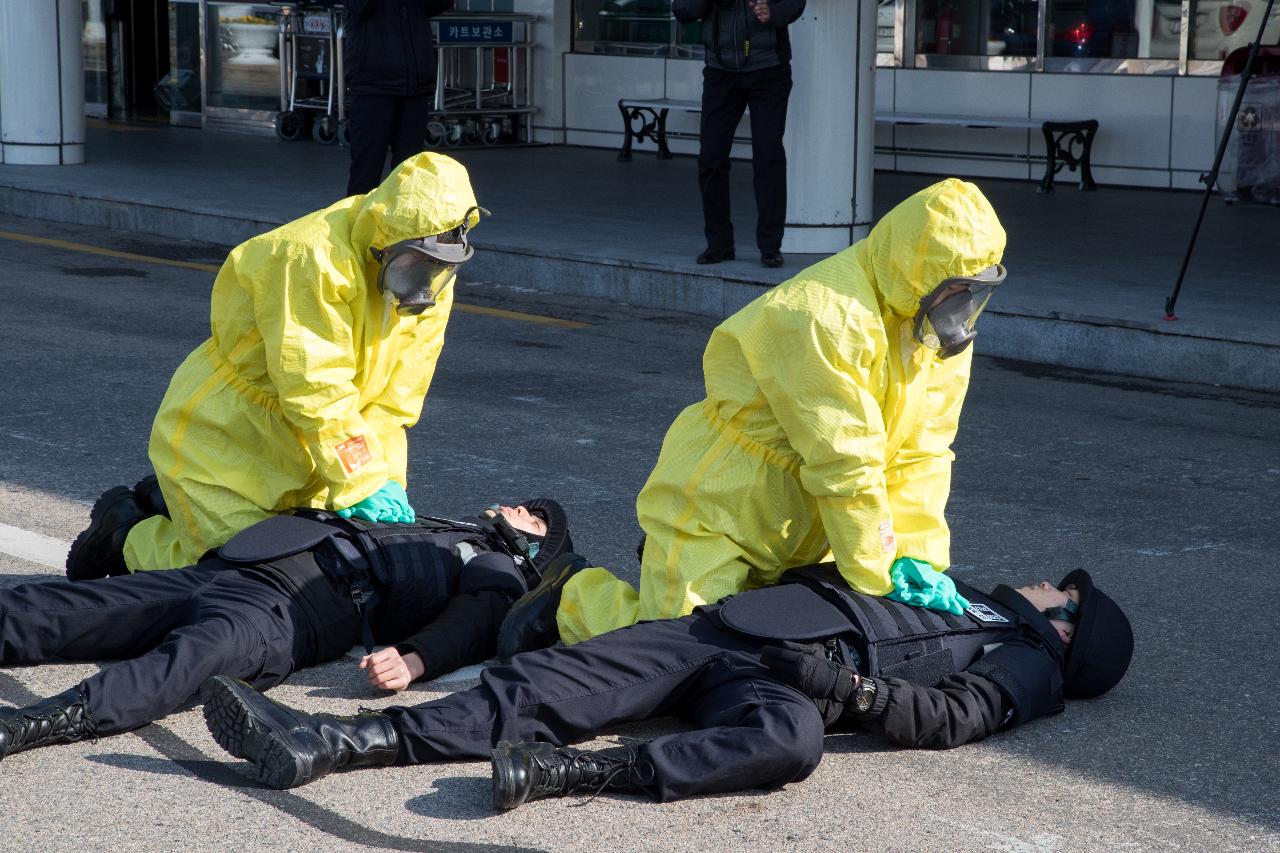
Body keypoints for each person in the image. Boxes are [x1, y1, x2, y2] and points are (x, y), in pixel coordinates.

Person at [502, 178, 1006, 655]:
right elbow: (844, 460)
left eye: (976, 293)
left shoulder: (929, 333)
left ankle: (678, 579)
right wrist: (878, 572)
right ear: (919, 268)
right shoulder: (821, 314)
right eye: (959, 290)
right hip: (722, 507)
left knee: (757, 645)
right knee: (673, 647)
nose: (963, 309)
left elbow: (924, 452)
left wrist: (916, 555)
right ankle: (570, 595)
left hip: (811, 524)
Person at [200, 564, 1133, 809]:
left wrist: (845, 690)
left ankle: (575, 775)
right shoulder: (965, 591)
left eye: (1065, 591)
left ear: (1066, 628)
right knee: (554, 678)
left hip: (799, 685)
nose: (1049, 580)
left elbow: (950, 715)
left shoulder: (1027, 663)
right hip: (736, 630)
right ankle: (332, 743)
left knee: (790, 747)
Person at [65, 152, 484, 580]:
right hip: (229, 440)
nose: (425, 282)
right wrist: (360, 481)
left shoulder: (429, 272)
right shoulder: (310, 257)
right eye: (417, 263)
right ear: (385, 239)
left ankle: (168, 506)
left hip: (318, 449)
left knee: (313, 571)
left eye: (439, 267)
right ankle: (126, 535)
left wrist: (383, 477)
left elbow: (396, 400)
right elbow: (315, 386)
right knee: (237, 574)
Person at [0, 498, 573, 761]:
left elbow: (478, 621)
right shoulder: (432, 523)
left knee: (192, 660)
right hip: (235, 571)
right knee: (67, 606)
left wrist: (417, 659)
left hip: (285, 616)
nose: (509, 505)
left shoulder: (498, 563)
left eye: (530, 513)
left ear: (537, 544)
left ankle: (31, 722)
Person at [672, 0, 807, 268]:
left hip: (769, 71)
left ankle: (770, 246)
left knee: (768, 158)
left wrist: (773, 13)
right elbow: (681, 10)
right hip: (720, 74)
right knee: (711, 158)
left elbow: (796, 2)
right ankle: (719, 243)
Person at [344, 0, 454, 197]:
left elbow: (438, 4)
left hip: (415, 83)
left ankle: (401, 226)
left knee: (408, 170)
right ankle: (357, 226)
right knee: (366, 172)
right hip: (372, 83)